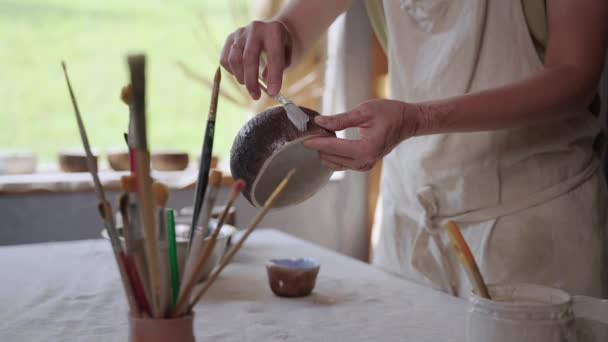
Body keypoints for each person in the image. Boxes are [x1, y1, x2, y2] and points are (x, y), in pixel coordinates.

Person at [220, 0, 608, 298]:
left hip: (532, 233)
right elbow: (295, 29)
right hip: (409, 223)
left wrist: (418, 119)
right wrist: (277, 35)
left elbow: (575, 75)